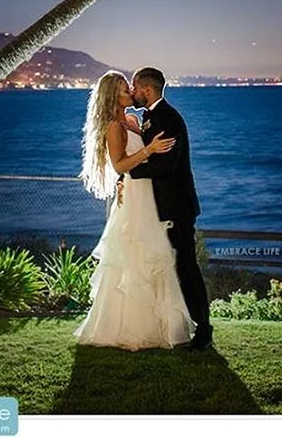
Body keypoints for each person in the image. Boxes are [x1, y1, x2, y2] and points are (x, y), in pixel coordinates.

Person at [75, 71, 195, 351]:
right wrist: (150, 149)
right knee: (133, 258)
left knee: (153, 255)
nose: (130, 90)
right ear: (113, 96)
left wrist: (143, 157)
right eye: (123, 88)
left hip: (145, 194)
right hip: (134, 196)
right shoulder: (114, 126)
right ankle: (129, 327)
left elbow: (131, 165)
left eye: (130, 86)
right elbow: (120, 164)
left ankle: (158, 324)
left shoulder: (132, 120)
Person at [130, 67, 213, 351]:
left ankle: (203, 328)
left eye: (135, 87)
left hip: (177, 207)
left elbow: (167, 165)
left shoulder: (167, 117)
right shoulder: (151, 116)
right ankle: (175, 322)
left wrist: (131, 171)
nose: (132, 92)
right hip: (164, 206)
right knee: (171, 266)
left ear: (147, 89)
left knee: (186, 266)